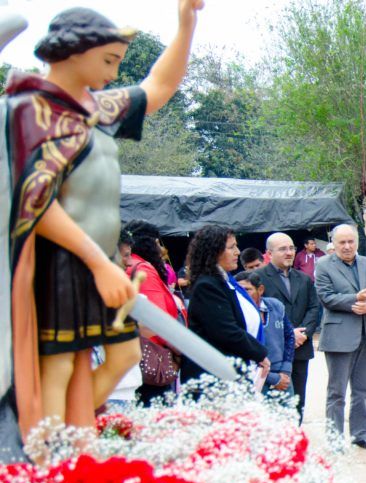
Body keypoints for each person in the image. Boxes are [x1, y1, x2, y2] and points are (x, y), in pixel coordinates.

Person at [2, 2, 203, 440]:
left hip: (101, 263)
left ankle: (68, 444)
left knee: (121, 356)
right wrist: (97, 262)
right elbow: (34, 200)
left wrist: (186, 22)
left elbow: (159, 86)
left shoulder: (96, 108)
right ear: (74, 51)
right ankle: (52, 457)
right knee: (59, 367)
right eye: (108, 60)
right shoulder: (28, 110)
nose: (114, 73)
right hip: (57, 262)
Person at [315, 224, 366, 449]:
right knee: (337, 392)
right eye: (342, 243)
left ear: (357, 242)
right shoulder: (323, 265)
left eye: (351, 242)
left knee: (363, 389)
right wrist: (355, 299)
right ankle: (335, 440)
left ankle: (360, 434)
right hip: (339, 336)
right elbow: (326, 297)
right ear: (333, 244)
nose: (347, 247)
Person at [180, 225, 269, 385]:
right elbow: (226, 331)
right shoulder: (208, 286)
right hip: (213, 376)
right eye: (231, 247)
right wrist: (259, 353)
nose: (238, 252)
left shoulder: (224, 281)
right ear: (214, 252)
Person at [255, 232, 321, 422]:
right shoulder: (258, 278)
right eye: (282, 249)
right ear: (269, 252)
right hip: (273, 352)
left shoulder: (304, 279)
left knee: (298, 399)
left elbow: (313, 308)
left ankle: (295, 442)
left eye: (291, 248)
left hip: (301, 348)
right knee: (272, 401)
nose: (289, 252)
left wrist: (304, 333)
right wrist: (288, 333)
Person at [123, 220, 187, 406]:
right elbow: (156, 320)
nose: (161, 249)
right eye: (158, 242)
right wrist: (179, 350)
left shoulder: (129, 266)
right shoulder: (143, 270)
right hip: (149, 357)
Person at [235, 271, 295, 397]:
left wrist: (286, 370)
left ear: (260, 289)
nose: (241, 294)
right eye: (238, 290)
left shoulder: (275, 306)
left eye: (247, 289)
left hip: (282, 375)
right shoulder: (235, 314)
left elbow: (289, 336)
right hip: (254, 376)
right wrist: (273, 378)